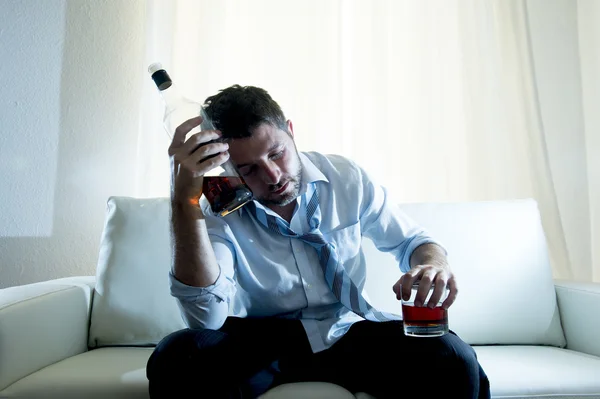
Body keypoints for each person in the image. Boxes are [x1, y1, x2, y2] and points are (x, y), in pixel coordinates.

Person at [146, 85, 491, 399]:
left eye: (277, 153)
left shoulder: (346, 178)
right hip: (261, 338)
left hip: (349, 332)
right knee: (178, 355)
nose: (273, 177)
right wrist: (183, 202)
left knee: (451, 356)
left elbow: (413, 242)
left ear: (291, 132)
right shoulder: (216, 208)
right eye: (248, 169)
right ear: (226, 170)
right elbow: (206, 318)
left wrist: (432, 265)